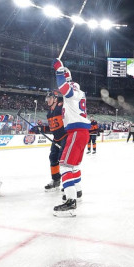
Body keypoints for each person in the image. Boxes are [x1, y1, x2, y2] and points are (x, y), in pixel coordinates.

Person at [52, 58, 90, 216]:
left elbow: (64, 88)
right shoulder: (78, 94)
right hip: (81, 132)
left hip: (76, 132)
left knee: (65, 166)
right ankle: (77, 192)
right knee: (73, 165)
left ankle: (71, 201)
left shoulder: (72, 90)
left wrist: (59, 71)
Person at [43, 90, 66, 192]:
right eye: (47, 98)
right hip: (56, 138)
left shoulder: (61, 108)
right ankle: (55, 180)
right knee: (52, 157)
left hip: (65, 137)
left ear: (55, 99)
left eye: (50, 98)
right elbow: (52, 127)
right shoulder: (49, 113)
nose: (48, 100)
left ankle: (67, 183)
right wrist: (40, 128)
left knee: (64, 160)